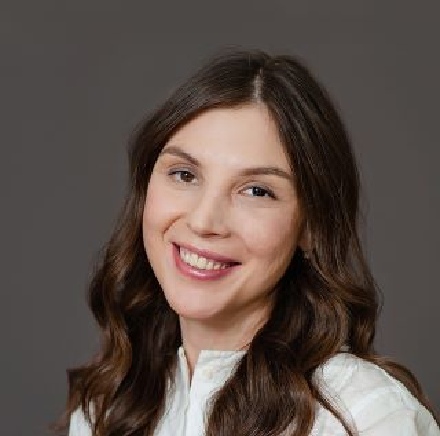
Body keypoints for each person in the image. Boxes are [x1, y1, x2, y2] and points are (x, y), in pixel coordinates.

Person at [60, 49, 439, 435]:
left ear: (311, 226)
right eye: (185, 174)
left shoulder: (366, 416)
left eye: (257, 191)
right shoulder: (105, 406)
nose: (204, 222)